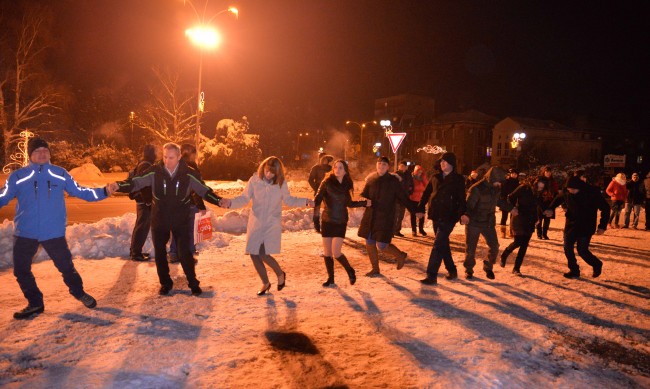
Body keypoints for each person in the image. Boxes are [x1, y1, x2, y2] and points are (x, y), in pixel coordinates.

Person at [0, 138, 115, 319]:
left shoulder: (60, 174)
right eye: (37, 150)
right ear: (30, 154)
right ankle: (35, 303)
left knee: (66, 267)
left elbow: (81, 191)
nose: (42, 153)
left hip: (53, 232)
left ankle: (78, 292)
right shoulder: (18, 176)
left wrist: (104, 192)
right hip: (25, 232)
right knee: (21, 270)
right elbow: (3, 197)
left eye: (45, 150)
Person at [115, 142, 229, 296]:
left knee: (184, 253)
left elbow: (203, 190)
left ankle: (193, 283)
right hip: (159, 220)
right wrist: (118, 186)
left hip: (180, 220)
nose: (168, 161)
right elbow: (136, 182)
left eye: (171, 157)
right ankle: (165, 283)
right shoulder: (155, 171)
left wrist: (218, 200)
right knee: (160, 254)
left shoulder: (188, 174)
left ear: (179, 156)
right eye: (165, 157)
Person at [227, 156, 314, 295]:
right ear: (263, 168)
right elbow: (244, 198)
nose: (269, 175)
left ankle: (280, 274)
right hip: (256, 222)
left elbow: (290, 200)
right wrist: (230, 203)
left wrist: (306, 201)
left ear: (278, 173)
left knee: (263, 253)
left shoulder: (280, 184)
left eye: (272, 173)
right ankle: (265, 283)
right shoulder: (254, 181)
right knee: (254, 254)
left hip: (271, 223)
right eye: (267, 171)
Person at [314, 159, 369, 286]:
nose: (337, 170)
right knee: (327, 253)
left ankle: (350, 270)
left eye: (340, 168)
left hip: (340, 221)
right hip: (327, 220)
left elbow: (349, 203)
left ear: (345, 171)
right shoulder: (326, 182)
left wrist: (364, 203)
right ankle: (331, 278)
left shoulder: (346, 185)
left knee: (336, 252)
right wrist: (315, 219)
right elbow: (317, 199)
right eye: (335, 167)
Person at [357, 156, 414, 276]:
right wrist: (363, 198)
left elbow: (403, 198)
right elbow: (364, 194)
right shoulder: (371, 179)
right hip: (371, 215)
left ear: (388, 167)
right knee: (369, 242)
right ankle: (375, 269)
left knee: (382, 246)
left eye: (384, 164)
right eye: (379, 164)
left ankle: (400, 255)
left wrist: (415, 209)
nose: (381, 166)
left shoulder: (393, 181)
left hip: (385, 217)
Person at [545, 176, 610, 279]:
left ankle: (596, 264)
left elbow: (606, 208)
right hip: (571, 224)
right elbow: (557, 199)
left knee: (582, 250)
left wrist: (602, 226)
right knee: (567, 247)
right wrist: (550, 208)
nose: (571, 191)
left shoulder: (592, 193)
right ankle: (574, 270)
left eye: (573, 190)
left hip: (586, 225)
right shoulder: (567, 192)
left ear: (580, 187)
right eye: (569, 189)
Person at [417, 152, 467, 285]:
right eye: (441, 162)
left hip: (449, 216)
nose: (442, 163)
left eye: (445, 161)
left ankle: (431, 275)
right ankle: (452, 269)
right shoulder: (435, 177)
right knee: (443, 244)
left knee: (438, 245)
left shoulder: (458, 179)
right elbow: (426, 193)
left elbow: (462, 198)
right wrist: (421, 207)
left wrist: (463, 213)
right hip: (435, 214)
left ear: (451, 164)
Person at [462, 167, 507, 280]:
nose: (500, 184)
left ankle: (488, 266)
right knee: (471, 249)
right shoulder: (476, 188)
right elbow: (468, 205)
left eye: (501, 182)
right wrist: (466, 215)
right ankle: (468, 269)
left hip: (488, 223)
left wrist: (512, 209)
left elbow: (499, 201)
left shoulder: (495, 188)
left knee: (495, 246)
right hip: (474, 223)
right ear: (491, 179)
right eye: (498, 181)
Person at [169, 144, 206, 263]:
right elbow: (197, 189)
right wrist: (201, 205)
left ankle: (174, 253)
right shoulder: (192, 168)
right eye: (195, 154)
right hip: (190, 203)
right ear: (191, 154)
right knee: (190, 230)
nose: (196, 156)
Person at [500, 177, 539, 276]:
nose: (540, 188)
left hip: (530, 220)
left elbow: (537, 206)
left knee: (524, 245)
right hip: (519, 218)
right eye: (539, 186)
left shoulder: (538, 192)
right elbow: (510, 197)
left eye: (542, 187)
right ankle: (504, 255)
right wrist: (513, 208)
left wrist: (537, 217)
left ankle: (516, 268)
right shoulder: (523, 188)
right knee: (518, 242)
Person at [129, 144, 156, 261]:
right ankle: (135, 253)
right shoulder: (145, 165)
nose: (156, 154)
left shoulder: (144, 163)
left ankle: (136, 251)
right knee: (142, 226)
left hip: (142, 200)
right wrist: (149, 202)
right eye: (154, 152)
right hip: (144, 201)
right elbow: (145, 185)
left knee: (142, 226)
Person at [535, 166, 558, 239]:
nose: (548, 173)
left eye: (549, 172)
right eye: (547, 172)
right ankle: (539, 234)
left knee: (547, 219)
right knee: (539, 218)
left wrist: (555, 200)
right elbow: (536, 191)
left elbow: (556, 192)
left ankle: (545, 233)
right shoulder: (539, 180)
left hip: (549, 202)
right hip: (540, 201)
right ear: (544, 172)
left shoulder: (553, 181)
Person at [393, 160, 414, 237]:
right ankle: (392, 231)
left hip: (405, 198)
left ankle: (397, 230)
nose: (402, 167)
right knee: (395, 215)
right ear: (399, 166)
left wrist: (410, 191)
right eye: (401, 166)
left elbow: (412, 184)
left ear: (406, 167)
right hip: (397, 199)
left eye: (404, 166)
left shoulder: (409, 174)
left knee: (401, 216)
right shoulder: (396, 174)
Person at [499, 168, 520, 239]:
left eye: (516, 174)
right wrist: (503, 199)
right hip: (505, 200)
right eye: (513, 174)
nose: (514, 175)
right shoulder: (506, 181)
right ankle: (503, 231)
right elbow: (502, 191)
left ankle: (512, 231)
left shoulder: (518, 183)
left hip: (514, 201)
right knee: (504, 216)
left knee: (513, 217)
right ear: (510, 174)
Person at [410, 165, 429, 236]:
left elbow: (427, 186)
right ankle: (414, 230)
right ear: (415, 171)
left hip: (421, 199)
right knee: (413, 215)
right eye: (418, 172)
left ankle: (421, 229)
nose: (420, 173)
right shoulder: (411, 179)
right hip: (413, 199)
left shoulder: (422, 178)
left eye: (421, 172)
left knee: (422, 215)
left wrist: (423, 178)